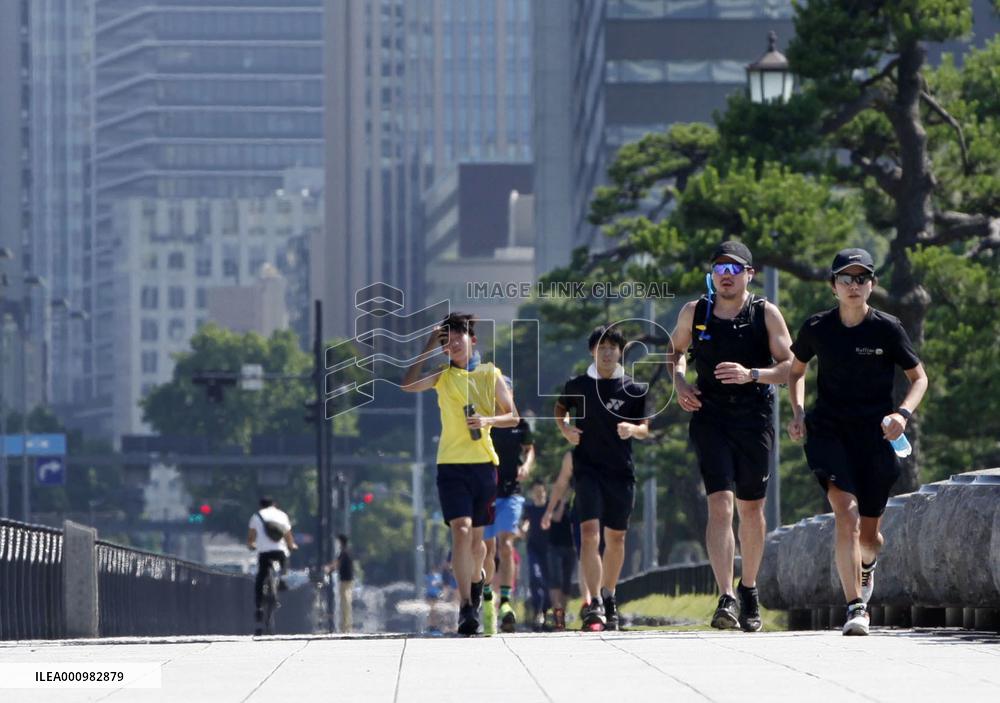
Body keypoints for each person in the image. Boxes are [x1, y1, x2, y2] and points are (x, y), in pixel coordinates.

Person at [787, 248, 928, 636]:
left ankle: (867, 565)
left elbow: (920, 378)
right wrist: (798, 413)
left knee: (869, 535)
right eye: (845, 279)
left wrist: (902, 415)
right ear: (833, 285)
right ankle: (855, 608)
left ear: (872, 285)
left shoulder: (888, 329)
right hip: (829, 432)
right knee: (844, 512)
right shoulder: (817, 327)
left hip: (876, 435)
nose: (853, 286)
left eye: (861, 278)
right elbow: (795, 370)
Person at [667, 241, 793, 632]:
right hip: (710, 416)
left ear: (748, 275)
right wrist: (680, 383)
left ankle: (750, 587)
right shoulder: (696, 311)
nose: (726, 274)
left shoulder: (765, 314)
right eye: (719, 268)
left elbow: (790, 367)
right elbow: (674, 352)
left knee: (751, 508)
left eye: (734, 268)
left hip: (754, 417)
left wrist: (751, 373)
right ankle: (726, 595)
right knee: (719, 505)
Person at [402, 313, 519, 636]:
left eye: (457, 339)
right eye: (446, 342)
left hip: (483, 465)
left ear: (472, 340)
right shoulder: (442, 375)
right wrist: (428, 343)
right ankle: (467, 605)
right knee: (461, 530)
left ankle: (478, 580)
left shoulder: (489, 374)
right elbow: (408, 384)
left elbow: (513, 416)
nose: (452, 345)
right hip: (450, 465)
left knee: (478, 544)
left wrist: (487, 421)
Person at [554, 325, 650, 631]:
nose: (607, 352)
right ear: (592, 351)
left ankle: (609, 594)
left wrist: (632, 429)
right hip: (587, 470)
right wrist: (566, 428)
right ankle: (593, 600)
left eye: (612, 347)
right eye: (601, 347)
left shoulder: (634, 389)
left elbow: (645, 426)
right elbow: (560, 409)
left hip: (620, 471)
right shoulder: (578, 385)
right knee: (589, 534)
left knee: (616, 538)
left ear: (621, 351)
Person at [482, 395, 534, 635]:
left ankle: (505, 600)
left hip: (512, 492)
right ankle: (486, 596)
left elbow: (530, 449)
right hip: (487, 491)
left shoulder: (520, 424)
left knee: (506, 544)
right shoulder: (484, 420)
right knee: (487, 549)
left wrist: (526, 465)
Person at [247, 497, 297, 635]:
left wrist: (251, 545)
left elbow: (251, 538)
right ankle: (282, 580)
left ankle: (258, 607)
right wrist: (292, 545)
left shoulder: (256, 516)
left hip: (264, 553)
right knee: (284, 566)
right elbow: (288, 536)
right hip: (280, 552)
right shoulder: (282, 515)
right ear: (274, 504)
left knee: (260, 577)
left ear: (260, 505)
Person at [541, 452, 578, 631]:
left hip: (570, 545)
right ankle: (556, 610)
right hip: (554, 546)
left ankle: (562, 613)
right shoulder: (553, 502)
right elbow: (555, 518)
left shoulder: (574, 502)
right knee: (555, 580)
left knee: (566, 582)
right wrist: (561, 503)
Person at [520, 480, 551, 630]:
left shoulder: (549, 508)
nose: (539, 495)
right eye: (536, 492)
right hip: (533, 549)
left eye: (541, 492)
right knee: (535, 578)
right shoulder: (529, 509)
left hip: (549, 551)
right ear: (532, 494)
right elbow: (525, 522)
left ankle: (544, 612)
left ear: (545, 492)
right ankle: (537, 610)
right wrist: (524, 528)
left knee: (548, 583)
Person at [325, 534, 354, 633]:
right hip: (347, 580)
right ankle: (346, 626)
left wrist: (328, 568)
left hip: (345, 581)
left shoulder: (344, 553)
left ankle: (345, 627)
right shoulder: (346, 552)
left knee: (345, 603)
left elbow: (337, 564)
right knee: (345, 604)